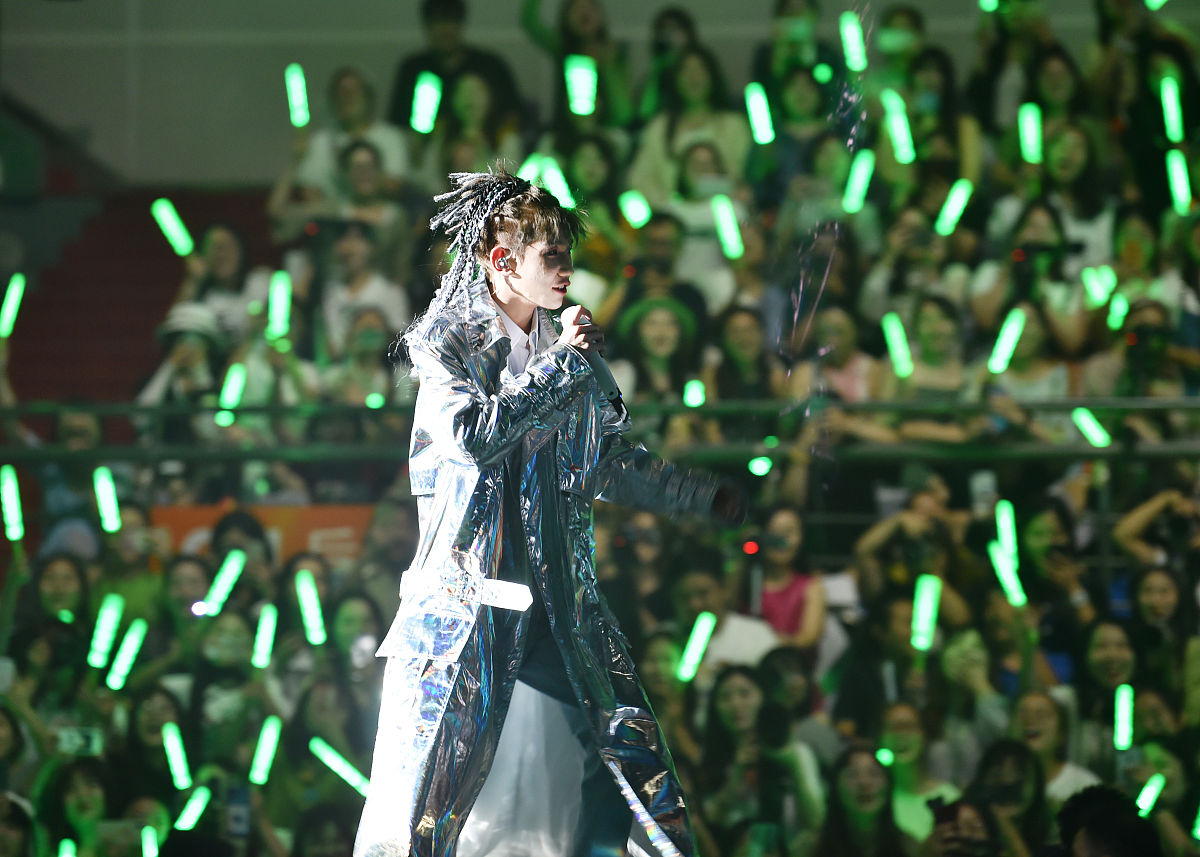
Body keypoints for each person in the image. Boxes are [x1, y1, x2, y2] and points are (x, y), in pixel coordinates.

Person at [353, 167, 746, 857]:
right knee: (433, 799)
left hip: (561, 601)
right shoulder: (448, 345)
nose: (567, 268)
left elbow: (605, 460)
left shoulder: (568, 346)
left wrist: (696, 495)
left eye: (568, 252)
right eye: (552, 254)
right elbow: (472, 439)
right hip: (471, 606)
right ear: (502, 261)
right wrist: (562, 366)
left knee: (634, 757)